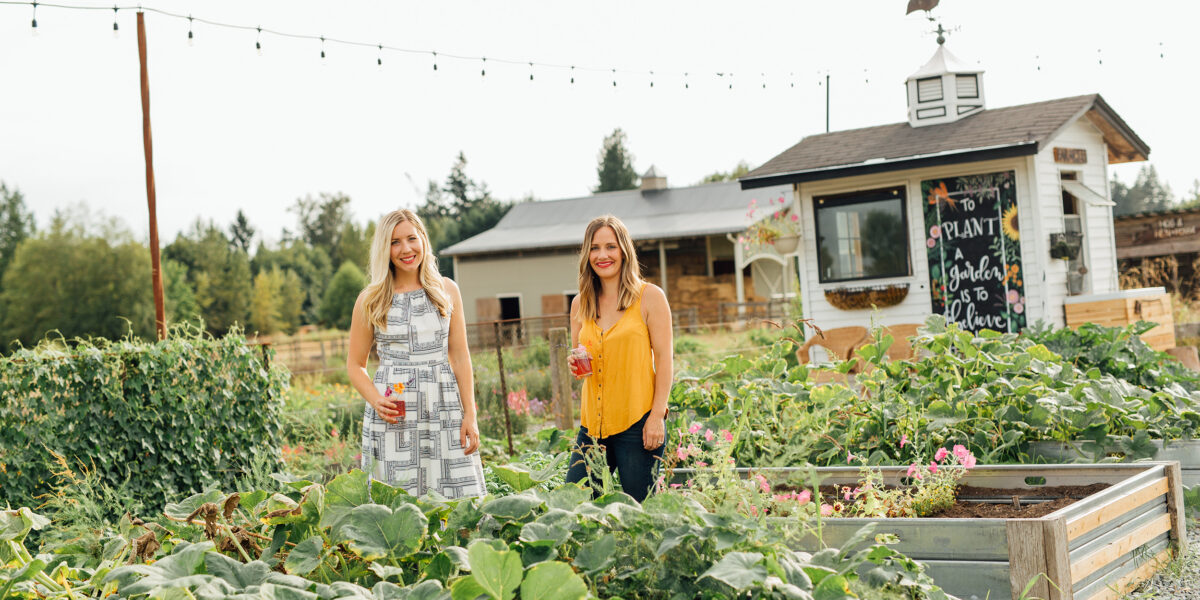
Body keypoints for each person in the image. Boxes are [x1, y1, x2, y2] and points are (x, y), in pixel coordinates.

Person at [347, 209, 485, 499]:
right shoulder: (371, 299)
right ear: (384, 249)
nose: (406, 249)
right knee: (399, 500)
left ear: (423, 239)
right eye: (395, 242)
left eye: (412, 238)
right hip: (396, 408)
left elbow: (460, 357)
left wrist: (470, 414)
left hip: (444, 405)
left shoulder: (446, 290)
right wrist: (376, 399)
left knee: (457, 498)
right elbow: (355, 365)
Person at [565, 215, 673, 502]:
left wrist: (656, 417)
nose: (603, 255)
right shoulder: (580, 303)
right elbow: (583, 363)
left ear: (624, 250)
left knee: (639, 514)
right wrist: (577, 368)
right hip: (592, 428)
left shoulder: (650, 298)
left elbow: (664, 360)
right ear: (586, 254)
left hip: (637, 425)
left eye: (610, 247)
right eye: (595, 247)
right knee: (576, 504)